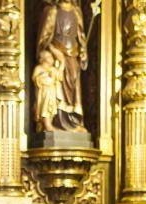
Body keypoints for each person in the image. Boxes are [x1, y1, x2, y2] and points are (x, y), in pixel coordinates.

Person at [36, 0, 89, 132]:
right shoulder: (52, 11)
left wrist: (83, 51)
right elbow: (44, 37)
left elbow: (81, 36)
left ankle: (74, 121)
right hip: (57, 54)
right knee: (57, 87)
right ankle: (58, 121)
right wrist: (52, 50)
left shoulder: (76, 12)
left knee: (73, 87)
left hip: (73, 55)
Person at [32, 49, 63, 132]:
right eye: (50, 57)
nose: (52, 59)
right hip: (44, 93)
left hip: (52, 92)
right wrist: (46, 76)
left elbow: (59, 76)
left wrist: (61, 63)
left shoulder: (52, 69)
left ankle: (48, 125)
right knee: (45, 108)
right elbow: (36, 79)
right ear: (44, 59)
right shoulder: (39, 68)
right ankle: (47, 125)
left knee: (51, 108)